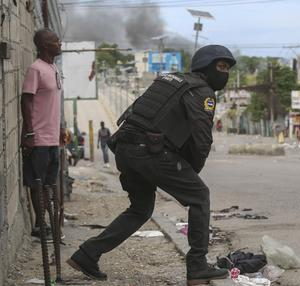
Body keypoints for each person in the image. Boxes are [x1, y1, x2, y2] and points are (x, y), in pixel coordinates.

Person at [67, 45, 236, 285]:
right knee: (199, 196)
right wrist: (191, 173)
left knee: (141, 209)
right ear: (205, 66)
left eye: (228, 68)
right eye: (221, 66)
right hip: (149, 151)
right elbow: (201, 138)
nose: (225, 72)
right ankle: (197, 265)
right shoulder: (203, 91)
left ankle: (87, 254)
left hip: (126, 148)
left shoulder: (170, 80)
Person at [21, 28, 63, 239]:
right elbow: (26, 100)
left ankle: (47, 223)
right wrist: (29, 133)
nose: (60, 43)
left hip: (53, 137)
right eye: (56, 41)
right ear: (46, 46)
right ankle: (40, 225)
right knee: (37, 182)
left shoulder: (52, 67)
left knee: (48, 182)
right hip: (37, 139)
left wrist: (61, 128)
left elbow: (52, 104)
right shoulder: (36, 69)